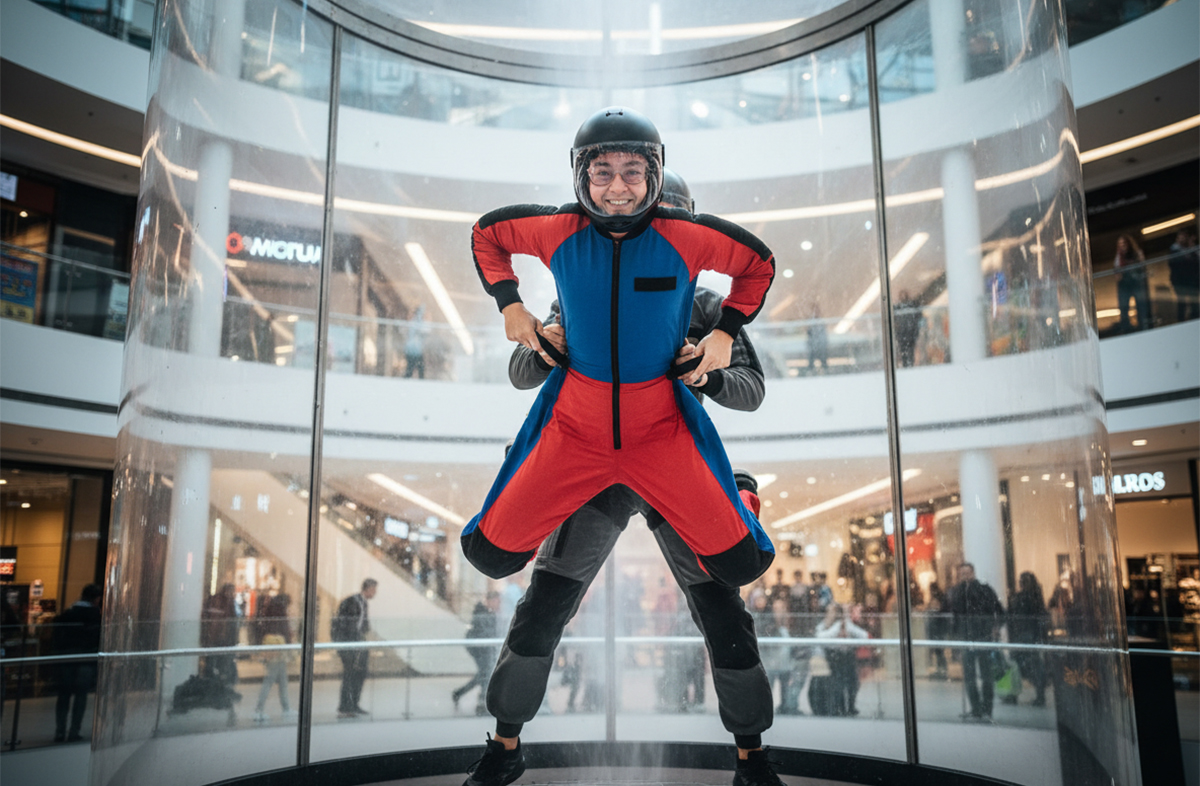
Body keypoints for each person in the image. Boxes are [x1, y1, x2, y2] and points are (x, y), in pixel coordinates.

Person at [464, 162, 781, 786]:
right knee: (546, 606)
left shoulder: (714, 307)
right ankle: (504, 747)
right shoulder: (582, 286)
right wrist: (543, 340)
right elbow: (524, 375)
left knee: (722, 612)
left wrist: (708, 370)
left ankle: (753, 757)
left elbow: (750, 391)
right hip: (595, 473)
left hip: (673, 466)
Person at [460, 106, 776, 593]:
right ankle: (524, 460)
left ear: (653, 172)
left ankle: (741, 494)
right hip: (574, 429)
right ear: (580, 174)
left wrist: (725, 332)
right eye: (602, 171)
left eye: (633, 171)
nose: (618, 187)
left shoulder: (687, 239)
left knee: (743, 565)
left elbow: (756, 264)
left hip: (663, 433)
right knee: (489, 554)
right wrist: (510, 306)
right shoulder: (557, 231)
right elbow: (487, 234)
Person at [946, 563, 1005, 721]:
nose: (965, 576)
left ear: (973, 573)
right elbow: (954, 616)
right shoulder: (957, 591)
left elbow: (999, 610)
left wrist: (995, 627)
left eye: (967, 573)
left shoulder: (984, 589)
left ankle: (986, 709)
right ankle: (977, 709)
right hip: (967, 637)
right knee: (970, 676)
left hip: (982, 637)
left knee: (985, 675)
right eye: (962, 573)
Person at [52, 583, 102, 742]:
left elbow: (57, 632)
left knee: (64, 695)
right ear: (96, 598)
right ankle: (74, 731)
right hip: (85, 659)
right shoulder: (95, 615)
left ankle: (60, 731)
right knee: (80, 696)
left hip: (66, 658)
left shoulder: (69, 613)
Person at [332, 578, 377, 719]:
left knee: (360, 672)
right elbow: (347, 625)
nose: (375, 593)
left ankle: (354, 704)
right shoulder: (353, 602)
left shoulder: (362, 602)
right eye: (374, 590)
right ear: (368, 588)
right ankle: (345, 707)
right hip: (349, 644)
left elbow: (362, 625)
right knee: (350, 674)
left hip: (357, 644)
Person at [815, 602, 869, 717]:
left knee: (853, 682)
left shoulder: (846, 624)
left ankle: (850, 706)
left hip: (847, 656)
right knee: (837, 683)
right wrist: (838, 628)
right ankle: (840, 707)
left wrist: (852, 642)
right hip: (833, 657)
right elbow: (820, 637)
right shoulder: (825, 625)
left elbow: (863, 635)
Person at [453, 591, 501, 715]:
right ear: (490, 601)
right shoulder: (483, 613)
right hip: (479, 648)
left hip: (483, 648)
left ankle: (460, 693)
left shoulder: (489, 613)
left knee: (483, 674)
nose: (498, 604)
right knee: (485, 674)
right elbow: (485, 632)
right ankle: (480, 704)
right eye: (496, 601)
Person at [1007, 572, 1048, 707]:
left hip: (1022, 636)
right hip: (1031, 636)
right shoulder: (1037, 598)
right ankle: (1040, 696)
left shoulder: (1019, 598)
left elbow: (1011, 616)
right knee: (1034, 666)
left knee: (1017, 666)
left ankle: (1014, 695)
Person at [252, 593, 294, 722]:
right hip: (277, 650)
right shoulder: (279, 613)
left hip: (273, 649)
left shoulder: (270, 611)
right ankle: (259, 710)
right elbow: (284, 630)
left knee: (282, 681)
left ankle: (286, 708)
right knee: (271, 681)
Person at [200, 583, 240, 688]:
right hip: (218, 638)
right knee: (218, 663)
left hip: (219, 638)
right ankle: (217, 685)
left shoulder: (226, 603)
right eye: (231, 591)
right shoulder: (222, 602)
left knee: (216, 662)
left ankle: (216, 685)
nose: (233, 594)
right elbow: (222, 622)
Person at [1113, 233, 1149, 331]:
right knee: (1124, 307)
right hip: (1124, 285)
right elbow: (1117, 273)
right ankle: (1126, 328)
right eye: (1120, 244)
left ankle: (1142, 326)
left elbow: (1142, 266)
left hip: (1136, 283)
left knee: (1140, 306)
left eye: (1123, 244)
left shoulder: (1136, 253)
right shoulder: (1118, 257)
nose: (1122, 246)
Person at [1168, 227, 1199, 322]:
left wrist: (1192, 247)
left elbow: (1196, 262)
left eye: (1184, 237)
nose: (1183, 239)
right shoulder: (1174, 251)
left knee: (1194, 301)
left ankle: (1195, 318)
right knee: (1182, 302)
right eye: (1181, 237)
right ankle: (1181, 320)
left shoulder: (1192, 249)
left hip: (1192, 281)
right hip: (1180, 281)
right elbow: (1174, 264)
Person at [924, 581, 950, 679]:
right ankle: (941, 669)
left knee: (939, 651)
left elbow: (936, 609)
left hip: (937, 628)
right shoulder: (941, 597)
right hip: (938, 628)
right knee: (939, 651)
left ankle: (942, 670)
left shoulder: (937, 598)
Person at [893, 290, 923, 367]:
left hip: (910, 333)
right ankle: (905, 364)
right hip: (903, 334)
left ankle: (910, 364)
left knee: (910, 350)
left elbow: (918, 315)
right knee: (904, 351)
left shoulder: (911, 306)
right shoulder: (898, 307)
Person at [806, 302, 829, 373]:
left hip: (821, 345)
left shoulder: (821, 321)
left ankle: (825, 370)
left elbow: (823, 333)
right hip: (813, 345)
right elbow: (809, 332)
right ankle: (811, 370)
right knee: (812, 359)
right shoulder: (810, 321)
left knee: (823, 358)